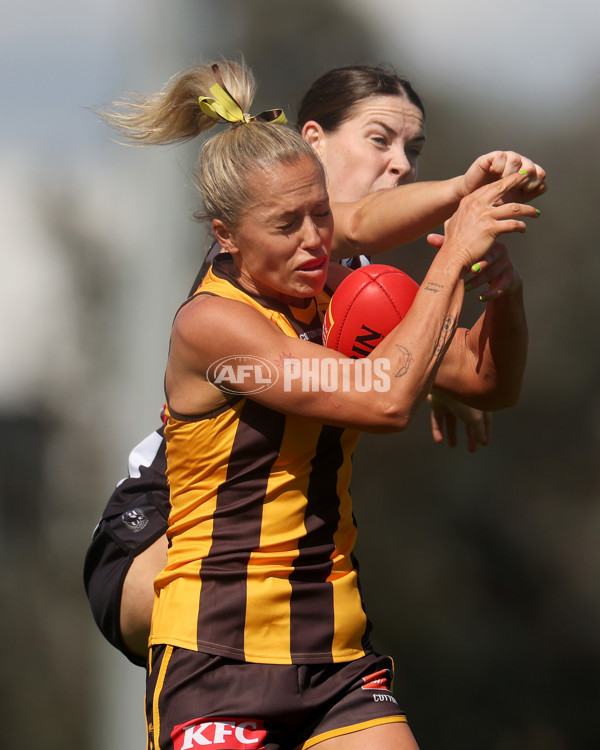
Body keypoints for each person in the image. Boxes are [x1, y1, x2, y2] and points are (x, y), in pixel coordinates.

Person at [90, 59, 542, 750]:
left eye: (413, 152)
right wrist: (458, 223)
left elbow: (486, 382)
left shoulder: (347, 286)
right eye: (380, 141)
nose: (399, 166)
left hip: (325, 645)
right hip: (173, 559)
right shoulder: (218, 316)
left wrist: (498, 290)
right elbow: (387, 389)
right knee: (223, 559)